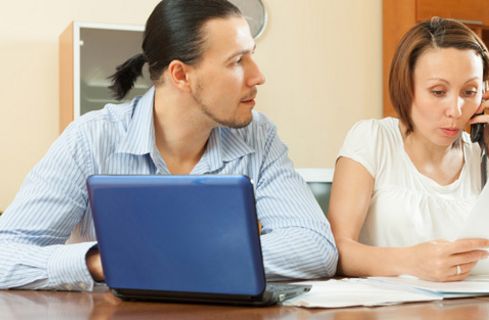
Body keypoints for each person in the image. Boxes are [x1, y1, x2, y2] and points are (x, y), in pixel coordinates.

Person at [0, 0, 337, 291]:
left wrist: (165, 258)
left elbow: (315, 247)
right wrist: (99, 262)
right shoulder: (91, 138)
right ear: (180, 75)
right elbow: (5, 254)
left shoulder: (258, 136)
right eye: (237, 61)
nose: (258, 75)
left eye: (252, 56)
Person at [328, 17, 489, 282]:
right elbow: (336, 251)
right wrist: (412, 262)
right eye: (438, 92)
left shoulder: (484, 157)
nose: (455, 110)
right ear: (407, 87)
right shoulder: (372, 139)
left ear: (486, 94)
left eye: (470, 91)